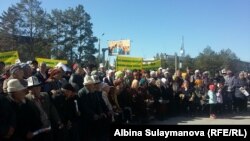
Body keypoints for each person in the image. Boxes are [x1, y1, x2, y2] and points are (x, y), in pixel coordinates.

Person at [26, 76, 62, 141]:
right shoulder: (26, 100)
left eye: (38, 87)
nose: (36, 90)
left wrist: (58, 121)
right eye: (32, 88)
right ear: (29, 89)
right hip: (37, 131)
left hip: (48, 128)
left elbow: (52, 109)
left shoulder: (45, 95)